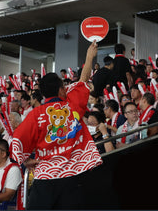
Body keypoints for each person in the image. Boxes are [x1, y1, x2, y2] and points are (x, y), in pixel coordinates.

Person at [11, 41, 102, 210]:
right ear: (60, 90)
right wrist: (89, 56)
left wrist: (25, 160)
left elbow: (17, 140)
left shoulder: (35, 114)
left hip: (45, 177)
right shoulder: (72, 105)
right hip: (73, 175)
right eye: (64, 86)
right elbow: (83, 80)